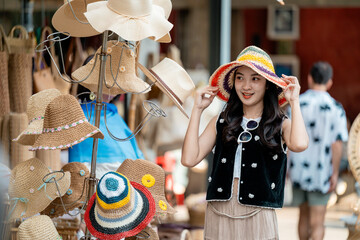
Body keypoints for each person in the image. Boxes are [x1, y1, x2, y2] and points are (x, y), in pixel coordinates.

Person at [181, 45, 308, 239]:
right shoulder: (221, 121)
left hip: (258, 213)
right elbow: (189, 159)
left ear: (268, 84)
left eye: (255, 79)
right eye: (240, 78)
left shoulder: (280, 124)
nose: (246, 86)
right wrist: (197, 110)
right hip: (219, 211)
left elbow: (299, 144)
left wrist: (295, 102)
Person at [288, 61, 348, 240]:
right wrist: (335, 172)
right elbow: (337, 144)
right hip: (322, 172)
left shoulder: (297, 104)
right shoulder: (335, 108)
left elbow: (289, 137)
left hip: (299, 169)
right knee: (318, 221)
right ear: (329, 82)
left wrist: (288, 168)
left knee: (302, 217)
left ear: (309, 78)